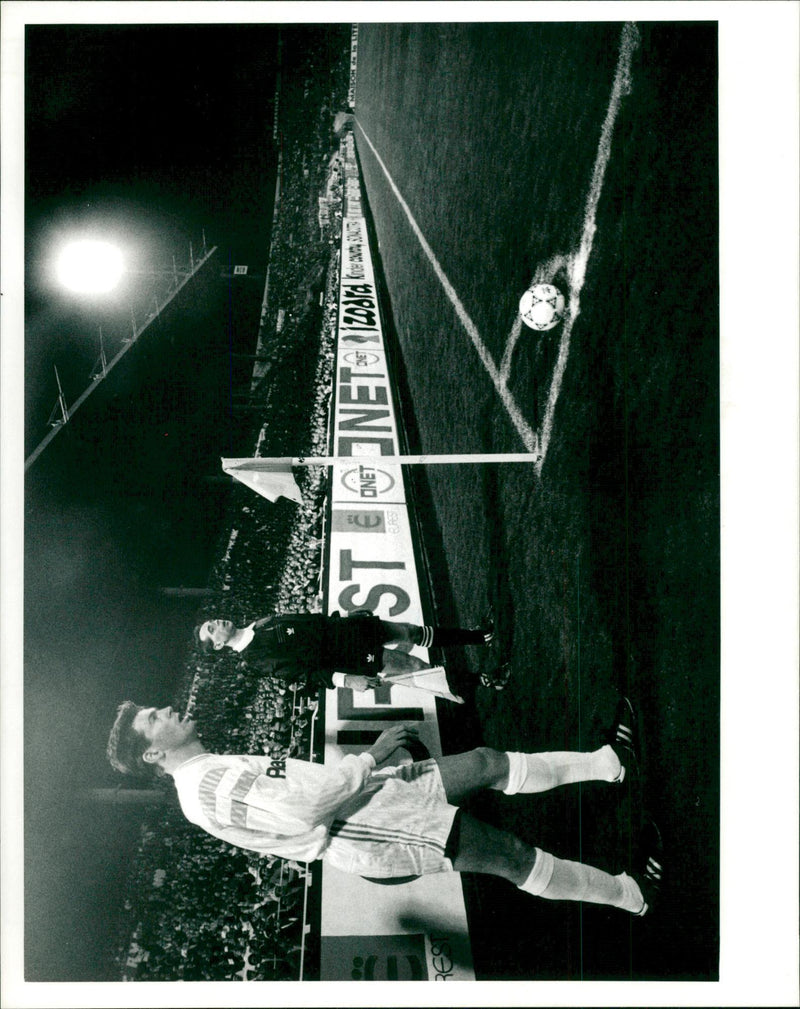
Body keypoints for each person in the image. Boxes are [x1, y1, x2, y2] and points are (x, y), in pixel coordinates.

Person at [106, 695, 663, 916]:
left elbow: (294, 793)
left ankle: (607, 762)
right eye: (153, 718)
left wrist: (366, 772)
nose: (166, 709)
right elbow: (303, 812)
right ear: (154, 751)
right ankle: (632, 894)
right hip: (363, 828)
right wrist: (368, 758)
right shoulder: (205, 786)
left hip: (367, 799)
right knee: (512, 855)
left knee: (486, 761)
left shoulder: (207, 771)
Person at [193, 609, 511, 693]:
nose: (217, 621)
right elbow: (308, 674)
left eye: (212, 621)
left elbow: (313, 623)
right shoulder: (255, 658)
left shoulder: (258, 624)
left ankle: (481, 636)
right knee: (413, 666)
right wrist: (349, 681)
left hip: (350, 630)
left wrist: (343, 618)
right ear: (219, 644)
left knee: (411, 632)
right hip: (351, 656)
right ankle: (487, 680)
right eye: (212, 628)